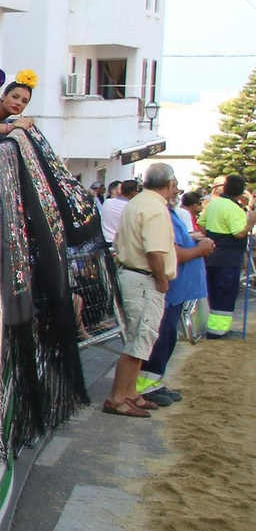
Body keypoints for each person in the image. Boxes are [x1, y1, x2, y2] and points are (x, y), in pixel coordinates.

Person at [104, 163, 178, 417]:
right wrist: (161, 279)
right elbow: (154, 250)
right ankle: (117, 397)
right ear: (169, 185)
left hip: (134, 275)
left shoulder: (136, 202)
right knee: (138, 339)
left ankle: (130, 392)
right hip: (144, 279)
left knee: (140, 339)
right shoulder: (154, 208)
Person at [137, 176, 215, 403]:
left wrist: (192, 241)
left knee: (168, 337)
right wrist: (199, 250)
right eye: (175, 187)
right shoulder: (158, 212)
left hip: (177, 290)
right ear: (167, 186)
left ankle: (153, 381)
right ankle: (145, 385)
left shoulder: (166, 212)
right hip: (169, 289)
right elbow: (169, 252)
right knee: (161, 337)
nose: (178, 192)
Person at [201, 174, 254, 338]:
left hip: (212, 255)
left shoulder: (213, 205)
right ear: (241, 190)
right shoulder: (233, 208)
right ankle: (218, 332)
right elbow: (239, 233)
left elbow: (202, 224)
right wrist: (251, 222)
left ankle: (212, 328)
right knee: (225, 294)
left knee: (214, 292)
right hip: (228, 258)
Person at [100, 179, 138, 244]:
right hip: (120, 243)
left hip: (105, 241)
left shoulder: (107, 202)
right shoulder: (131, 207)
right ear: (134, 193)